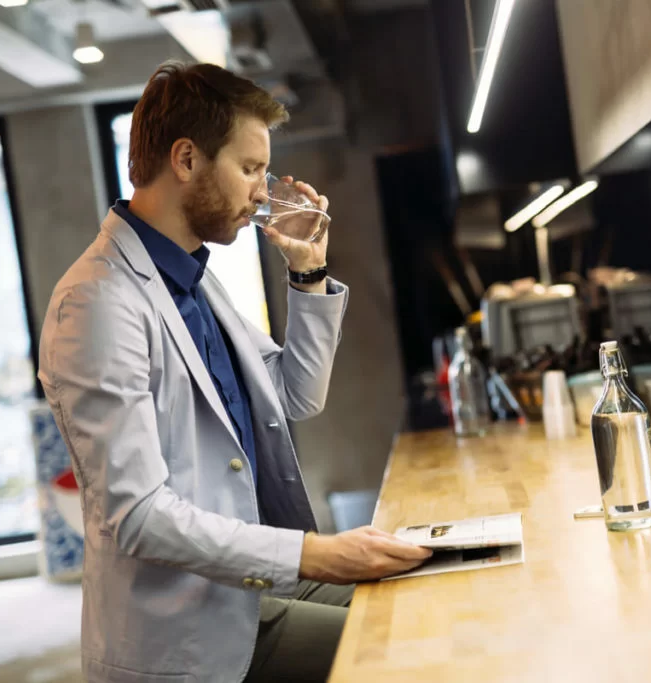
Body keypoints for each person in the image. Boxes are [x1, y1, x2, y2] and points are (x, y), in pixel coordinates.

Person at [37, 61, 432, 683]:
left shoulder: (193, 277)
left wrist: (307, 274)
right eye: (250, 169)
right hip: (190, 634)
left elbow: (296, 397)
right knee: (407, 652)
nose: (261, 190)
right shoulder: (95, 302)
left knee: (426, 604)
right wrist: (314, 554)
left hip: (251, 591)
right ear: (187, 160)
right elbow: (137, 514)